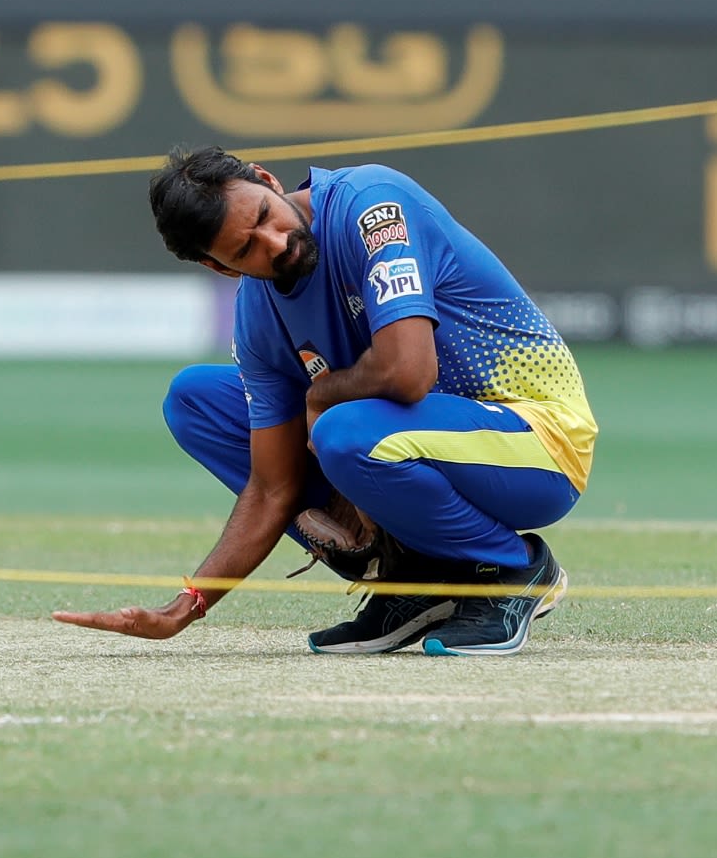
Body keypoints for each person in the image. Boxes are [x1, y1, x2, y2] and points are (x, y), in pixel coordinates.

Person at [53, 146, 597, 656]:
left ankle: (512, 569)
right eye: (245, 250)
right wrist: (188, 606)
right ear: (220, 268)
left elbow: (409, 373)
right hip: (413, 441)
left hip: (539, 442)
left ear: (267, 180)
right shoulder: (257, 316)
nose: (275, 242)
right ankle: (414, 579)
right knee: (195, 400)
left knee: (342, 431)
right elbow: (271, 489)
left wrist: (322, 393)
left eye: (265, 214)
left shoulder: (373, 206)